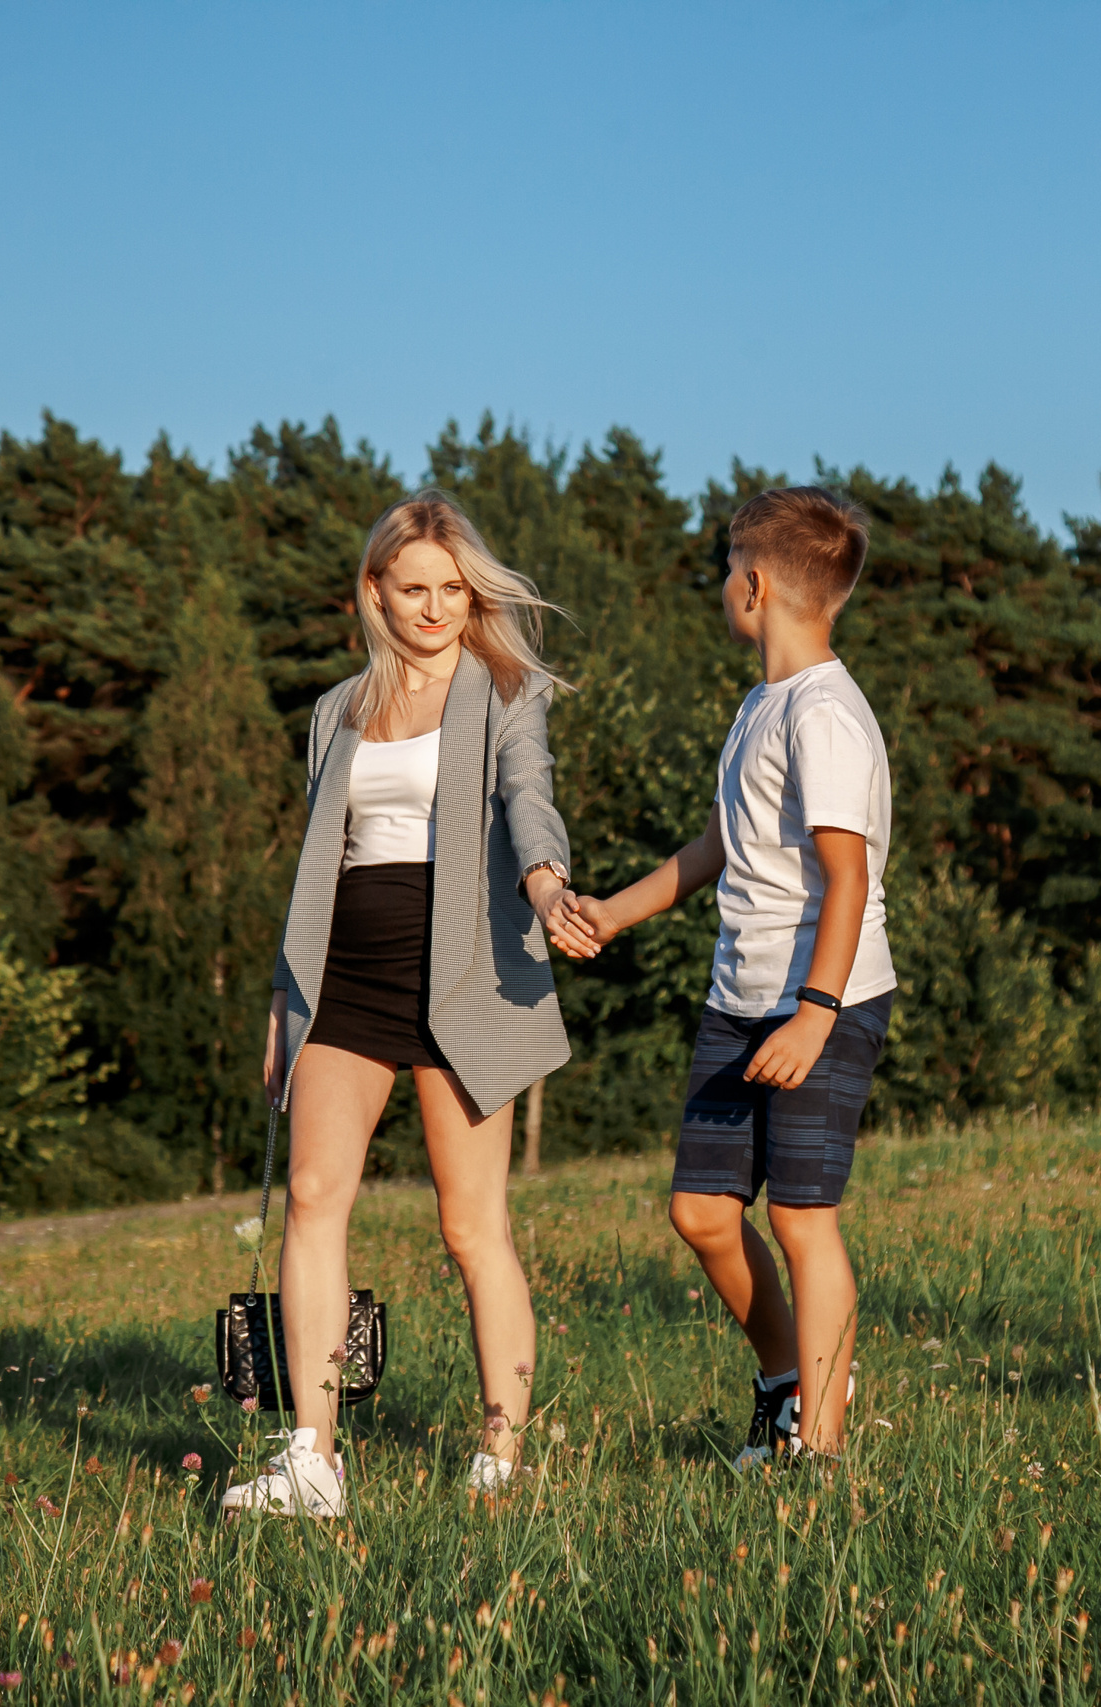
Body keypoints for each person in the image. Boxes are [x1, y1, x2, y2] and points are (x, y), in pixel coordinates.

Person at [224, 490, 599, 1518]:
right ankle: (312, 1460)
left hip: (468, 968)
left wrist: (548, 882)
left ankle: (500, 1456)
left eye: (450, 589)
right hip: (343, 969)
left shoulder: (505, 687)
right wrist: (279, 1004)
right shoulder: (336, 709)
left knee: (470, 1226)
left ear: (469, 593)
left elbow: (529, 796)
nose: (433, 607)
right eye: (412, 588)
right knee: (311, 1199)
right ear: (375, 591)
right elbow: (316, 860)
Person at [570, 486, 895, 1466]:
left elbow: (848, 877)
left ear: (753, 586)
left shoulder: (827, 715)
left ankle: (821, 1448)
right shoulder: (763, 704)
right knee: (703, 1214)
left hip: (817, 1003)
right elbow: (723, 843)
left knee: (802, 1218)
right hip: (738, 998)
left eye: (725, 570)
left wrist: (814, 1014)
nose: (722, 586)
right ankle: (787, 1378)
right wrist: (611, 913)